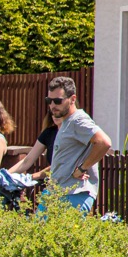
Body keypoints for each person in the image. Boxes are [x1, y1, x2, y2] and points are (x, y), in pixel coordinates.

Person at [39, 75, 113, 213]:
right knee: (36, 227)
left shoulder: (78, 120)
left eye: (58, 101)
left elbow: (104, 142)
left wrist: (82, 168)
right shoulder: (66, 122)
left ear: (73, 99)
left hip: (74, 194)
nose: (53, 105)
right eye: (49, 101)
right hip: (57, 192)